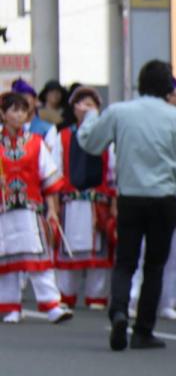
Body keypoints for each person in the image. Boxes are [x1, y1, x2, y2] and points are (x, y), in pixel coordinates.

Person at [75, 59, 176, 350]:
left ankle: (119, 311)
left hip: (130, 196)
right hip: (164, 198)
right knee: (155, 264)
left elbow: (90, 143)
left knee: (126, 261)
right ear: (169, 87)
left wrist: (91, 116)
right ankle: (144, 330)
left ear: (139, 84)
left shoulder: (119, 112)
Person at [0, 91, 71, 324]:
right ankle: (11, 307)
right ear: (3, 114)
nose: (19, 115)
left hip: (30, 209)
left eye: (23, 110)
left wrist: (52, 209)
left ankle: (52, 304)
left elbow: (47, 178)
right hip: (3, 209)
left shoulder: (36, 143)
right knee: (6, 259)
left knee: (38, 257)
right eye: (14, 110)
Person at [55, 88, 117, 311]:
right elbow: (55, 173)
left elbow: (113, 174)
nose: (85, 108)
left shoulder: (107, 138)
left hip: (96, 202)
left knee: (98, 250)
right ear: (73, 108)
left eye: (90, 104)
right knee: (68, 247)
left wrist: (113, 205)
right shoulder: (62, 136)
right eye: (80, 103)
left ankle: (97, 295)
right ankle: (65, 294)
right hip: (70, 203)